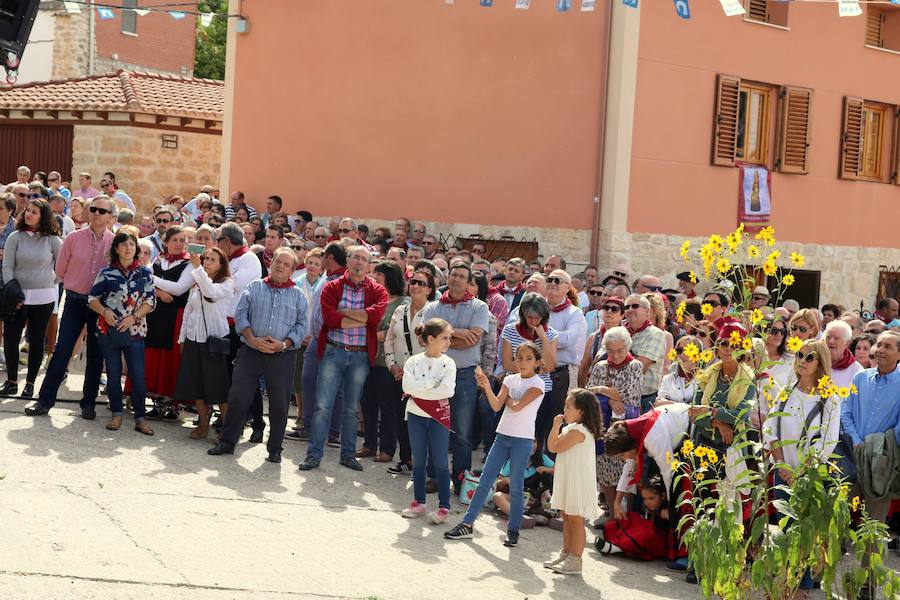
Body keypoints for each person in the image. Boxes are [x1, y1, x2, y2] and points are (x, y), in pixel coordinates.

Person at [208, 248, 307, 463]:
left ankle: (274, 449)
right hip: (250, 352)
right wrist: (252, 339)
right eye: (278, 262)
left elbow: (301, 326)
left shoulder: (298, 295)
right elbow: (241, 315)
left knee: (279, 405)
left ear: (292, 270)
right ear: (271, 264)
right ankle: (227, 442)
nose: (280, 266)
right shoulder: (254, 288)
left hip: (281, 356)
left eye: (286, 264)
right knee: (238, 397)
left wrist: (282, 344)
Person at [445, 342, 546, 547]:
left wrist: (506, 396)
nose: (523, 362)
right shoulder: (510, 379)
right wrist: (486, 386)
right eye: (520, 358)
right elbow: (495, 404)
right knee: (484, 481)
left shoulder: (538, 384)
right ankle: (467, 523)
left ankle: (513, 529)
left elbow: (516, 406)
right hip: (502, 437)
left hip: (522, 440)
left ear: (537, 363)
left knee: (516, 486)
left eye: (528, 359)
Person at [299, 245, 388, 471]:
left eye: (364, 259)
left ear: (369, 265)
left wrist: (344, 314)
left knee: (350, 409)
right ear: (347, 261)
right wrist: (363, 318)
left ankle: (348, 455)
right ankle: (314, 455)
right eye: (355, 257)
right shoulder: (332, 286)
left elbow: (376, 316)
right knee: (322, 406)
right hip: (334, 350)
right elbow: (329, 319)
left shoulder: (378, 291)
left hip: (359, 356)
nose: (359, 262)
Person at [26, 196, 115, 418]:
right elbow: (60, 271)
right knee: (62, 351)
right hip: (75, 301)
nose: (96, 213)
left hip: (100, 304)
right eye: (92, 209)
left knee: (96, 355)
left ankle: (88, 404)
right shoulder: (73, 238)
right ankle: (44, 402)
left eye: (101, 211)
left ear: (111, 217)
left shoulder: (115, 242)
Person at [419, 262, 489, 488]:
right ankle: (434, 477)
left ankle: (460, 479)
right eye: (454, 275)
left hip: (465, 375)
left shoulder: (479, 307)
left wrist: (441, 337)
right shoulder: (433, 306)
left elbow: (475, 339)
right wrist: (459, 335)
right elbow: (424, 339)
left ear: (469, 282)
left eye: (462, 276)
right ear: (447, 278)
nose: (457, 279)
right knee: (434, 426)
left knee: (462, 432)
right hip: (435, 373)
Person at [88, 231, 156, 435]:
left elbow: (150, 302)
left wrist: (133, 317)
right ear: (116, 248)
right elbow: (92, 299)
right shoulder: (106, 273)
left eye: (132, 244)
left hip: (135, 331)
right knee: (113, 373)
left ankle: (140, 418)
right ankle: (116, 414)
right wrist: (105, 311)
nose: (128, 248)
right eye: (124, 244)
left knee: (138, 376)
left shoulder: (145, 273)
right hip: (109, 331)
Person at [0, 199, 62, 398]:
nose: (29, 214)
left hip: (43, 299)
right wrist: (14, 292)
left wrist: (49, 281)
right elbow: (7, 266)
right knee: (11, 339)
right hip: (17, 298)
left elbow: (61, 268)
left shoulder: (53, 239)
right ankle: (11, 381)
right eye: (27, 211)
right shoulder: (15, 237)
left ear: (43, 216)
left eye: (34, 212)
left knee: (36, 341)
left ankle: (30, 383)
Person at [173, 247, 234, 439]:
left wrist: (198, 268)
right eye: (205, 258)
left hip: (212, 343)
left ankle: (226, 428)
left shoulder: (227, 284)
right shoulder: (197, 283)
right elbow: (188, 314)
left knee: (218, 388)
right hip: (193, 340)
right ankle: (203, 424)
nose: (207, 262)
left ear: (221, 265)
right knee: (195, 385)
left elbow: (211, 293)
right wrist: (182, 339)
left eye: (212, 259)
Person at [400, 318, 456, 524]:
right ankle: (419, 502)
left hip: (438, 419)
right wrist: (433, 383)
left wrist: (421, 388)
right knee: (419, 459)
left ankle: (444, 507)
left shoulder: (449, 363)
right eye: (444, 338)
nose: (449, 342)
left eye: (449, 338)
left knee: (441, 461)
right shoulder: (413, 361)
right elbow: (408, 387)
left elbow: (447, 390)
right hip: (416, 416)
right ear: (430, 339)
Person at [383, 268, 436, 474]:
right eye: (413, 282)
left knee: (420, 420)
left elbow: (432, 346)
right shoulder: (400, 310)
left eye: (421, 283)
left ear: (429, 289)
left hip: (422, 376)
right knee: (401, 417)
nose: (415, 286)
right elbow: (389, 340)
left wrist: (410, 369)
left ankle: (422, 463)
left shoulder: (432, 312)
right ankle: (406, 459)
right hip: (398, 375)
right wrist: (392, 365)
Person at [544, 388, 603, 575]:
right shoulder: (571, 429)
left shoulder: (579, 431)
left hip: (577, 480)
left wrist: (555, 427)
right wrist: (556, 427)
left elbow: (553, 447)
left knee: (575, 519)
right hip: (568, 477)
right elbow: (551, 446)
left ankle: (576, 560)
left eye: (569, 407)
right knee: (567, 516)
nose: (565, 410)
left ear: (581, 412)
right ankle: (566, 553)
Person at [586, 326, 643, 514]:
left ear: (627, 347)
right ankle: (611, 513)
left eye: (620, 350)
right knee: (604, 473)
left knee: (626, 474)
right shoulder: (601, 366)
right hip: (603, 428)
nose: (616, 355)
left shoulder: (635, 366)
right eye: (611, 351)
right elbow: (588, 391)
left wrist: (602, 390)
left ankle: (627, 516)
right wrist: (609, 398)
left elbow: (628, 394)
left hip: (624, 430)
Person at [216, 222, 265, 440]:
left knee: (245, 377)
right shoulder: (229, 259)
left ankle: (257, 423)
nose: (217, 245)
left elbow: (230, 286)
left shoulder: (249, 259)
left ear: (226, 240)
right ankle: (228, 418)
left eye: (218, 240)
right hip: (222, 324)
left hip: (240, 327)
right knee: (224, 375)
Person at [358, 260, 406, 462]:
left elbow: (397, 332)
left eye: (379, 274)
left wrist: (376, 335)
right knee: (368, 404)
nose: (374, 277)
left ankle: (387, 449)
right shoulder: (373, 299)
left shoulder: (403, 304)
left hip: (387, 364)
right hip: (367, 359)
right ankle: (369, 444)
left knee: (388, 407)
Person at [143, 227, 193, 420]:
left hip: (176, 316)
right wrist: (158, 292)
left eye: (182, 240)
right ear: (166, 242)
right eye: (175, 240)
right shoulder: (158, 260)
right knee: (155, 357)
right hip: (155, 315)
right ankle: (157, 402)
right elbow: (145, 287)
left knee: (172, 360)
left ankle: (175, 405)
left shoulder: (189, 264)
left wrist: (151, 279)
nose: (179, 244)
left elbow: (179, 289)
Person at [540, 269, 587, 447]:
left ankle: (551, 468)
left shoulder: (574, 313)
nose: (552, 282)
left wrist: (542, 335)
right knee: (536, 422)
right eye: (549, 279)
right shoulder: (538, 307)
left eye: (557, 280)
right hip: (535, 371)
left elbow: (568, 339)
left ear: (567, 288)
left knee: (556, 421)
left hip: (561, 374)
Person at [284, 247, 325, 440]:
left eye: (317, 264)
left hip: (317, 338)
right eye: (310, 262)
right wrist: (299, 336)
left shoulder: (325, 284)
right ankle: (301, 415)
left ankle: (314, 418)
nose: (312, 267)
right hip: (299, 338)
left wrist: (314, 335)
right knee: (300, 380)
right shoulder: (297, 283)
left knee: (316, 380)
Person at [595, 475, 671, 561]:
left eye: (651, 498)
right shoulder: (652, 508)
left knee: (646, 531)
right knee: (631, 517)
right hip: (651, 536)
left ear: (663, 496)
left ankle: (616, 548)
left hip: (658, 543)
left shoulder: (665, 511)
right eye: (645, 499)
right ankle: (617, 542)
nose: (647, 502)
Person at [499, 293, 558, 394]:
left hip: (541, 390)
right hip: (514, 388)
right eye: (530, 317)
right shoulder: (510, 330)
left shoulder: (551, 334)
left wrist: (543, 339)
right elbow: (507, 365)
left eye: (537, 317)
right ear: (523, 315)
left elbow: (549, 367)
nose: (533, 321)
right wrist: (538, 368)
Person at [623, 293, 667, 413]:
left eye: (635, 306)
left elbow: (639, 367)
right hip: (619, 397)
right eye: (627, 307)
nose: (630, 310)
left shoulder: (655, 334)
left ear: (647, 312)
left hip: (645, 400)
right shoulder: (620, 331)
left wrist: (616, 363)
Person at [578, 296, 625, 387]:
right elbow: (584, 368)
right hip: (594, 388)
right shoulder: (593, 337)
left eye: (614, 309)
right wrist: (582, 390)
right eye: (606, 308)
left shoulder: (626, 337)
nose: (609, 311)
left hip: (618, 390)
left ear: (622, 316)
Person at [655, 334, 701, 405]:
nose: (682, 354)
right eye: (679, 350)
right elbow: (658, 403)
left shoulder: (704, 379)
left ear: (698, 354)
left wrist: (670, 403)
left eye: (687, 350)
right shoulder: (668, 378)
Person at [825, 320, 863, 388]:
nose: (831, 341)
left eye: (836, 338)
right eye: (828, 337)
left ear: (846, 343)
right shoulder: (813, 361)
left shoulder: (856, 371)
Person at [0, 193, 17, 284]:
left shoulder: (17, 228)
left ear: (10, 210)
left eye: (1, 208)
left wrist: (7, 255)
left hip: (10, 280)